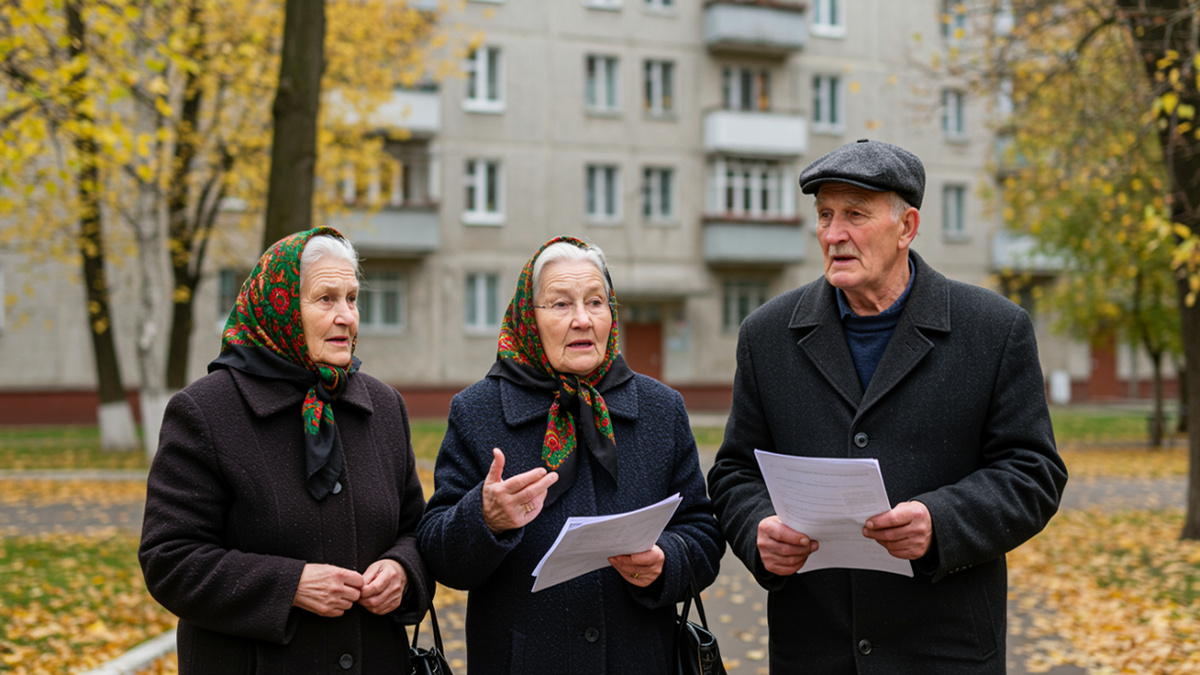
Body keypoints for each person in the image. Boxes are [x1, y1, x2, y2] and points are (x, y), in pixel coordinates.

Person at [707, 139, 1068, 674]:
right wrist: (758, 530)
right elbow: (735, 471)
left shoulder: (994, 329)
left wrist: (939, 522)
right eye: (825, 215)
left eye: (855, 215)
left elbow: (1034, 473)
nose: (833, 235)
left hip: (946, 648)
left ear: (907, 227)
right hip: (813, 649)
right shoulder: (767, 335)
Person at [417, 236, 723, 674]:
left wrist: (666, 561)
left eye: (595, 302)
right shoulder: (477, 411)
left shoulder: (661, 408)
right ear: (529, 318)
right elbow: (439, 554)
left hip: (641, 660)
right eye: (561, 305)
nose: (583, 320)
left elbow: (703, 533)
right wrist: (484, 519)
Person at [139, 227, 432, 674]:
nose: (347, 317)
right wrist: (290, 585)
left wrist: (402, 570)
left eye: (352, 299)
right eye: (326, 299)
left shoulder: (383, 407)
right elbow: (170, 559)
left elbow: (416, 530)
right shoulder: (206, 411)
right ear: (278, 307)